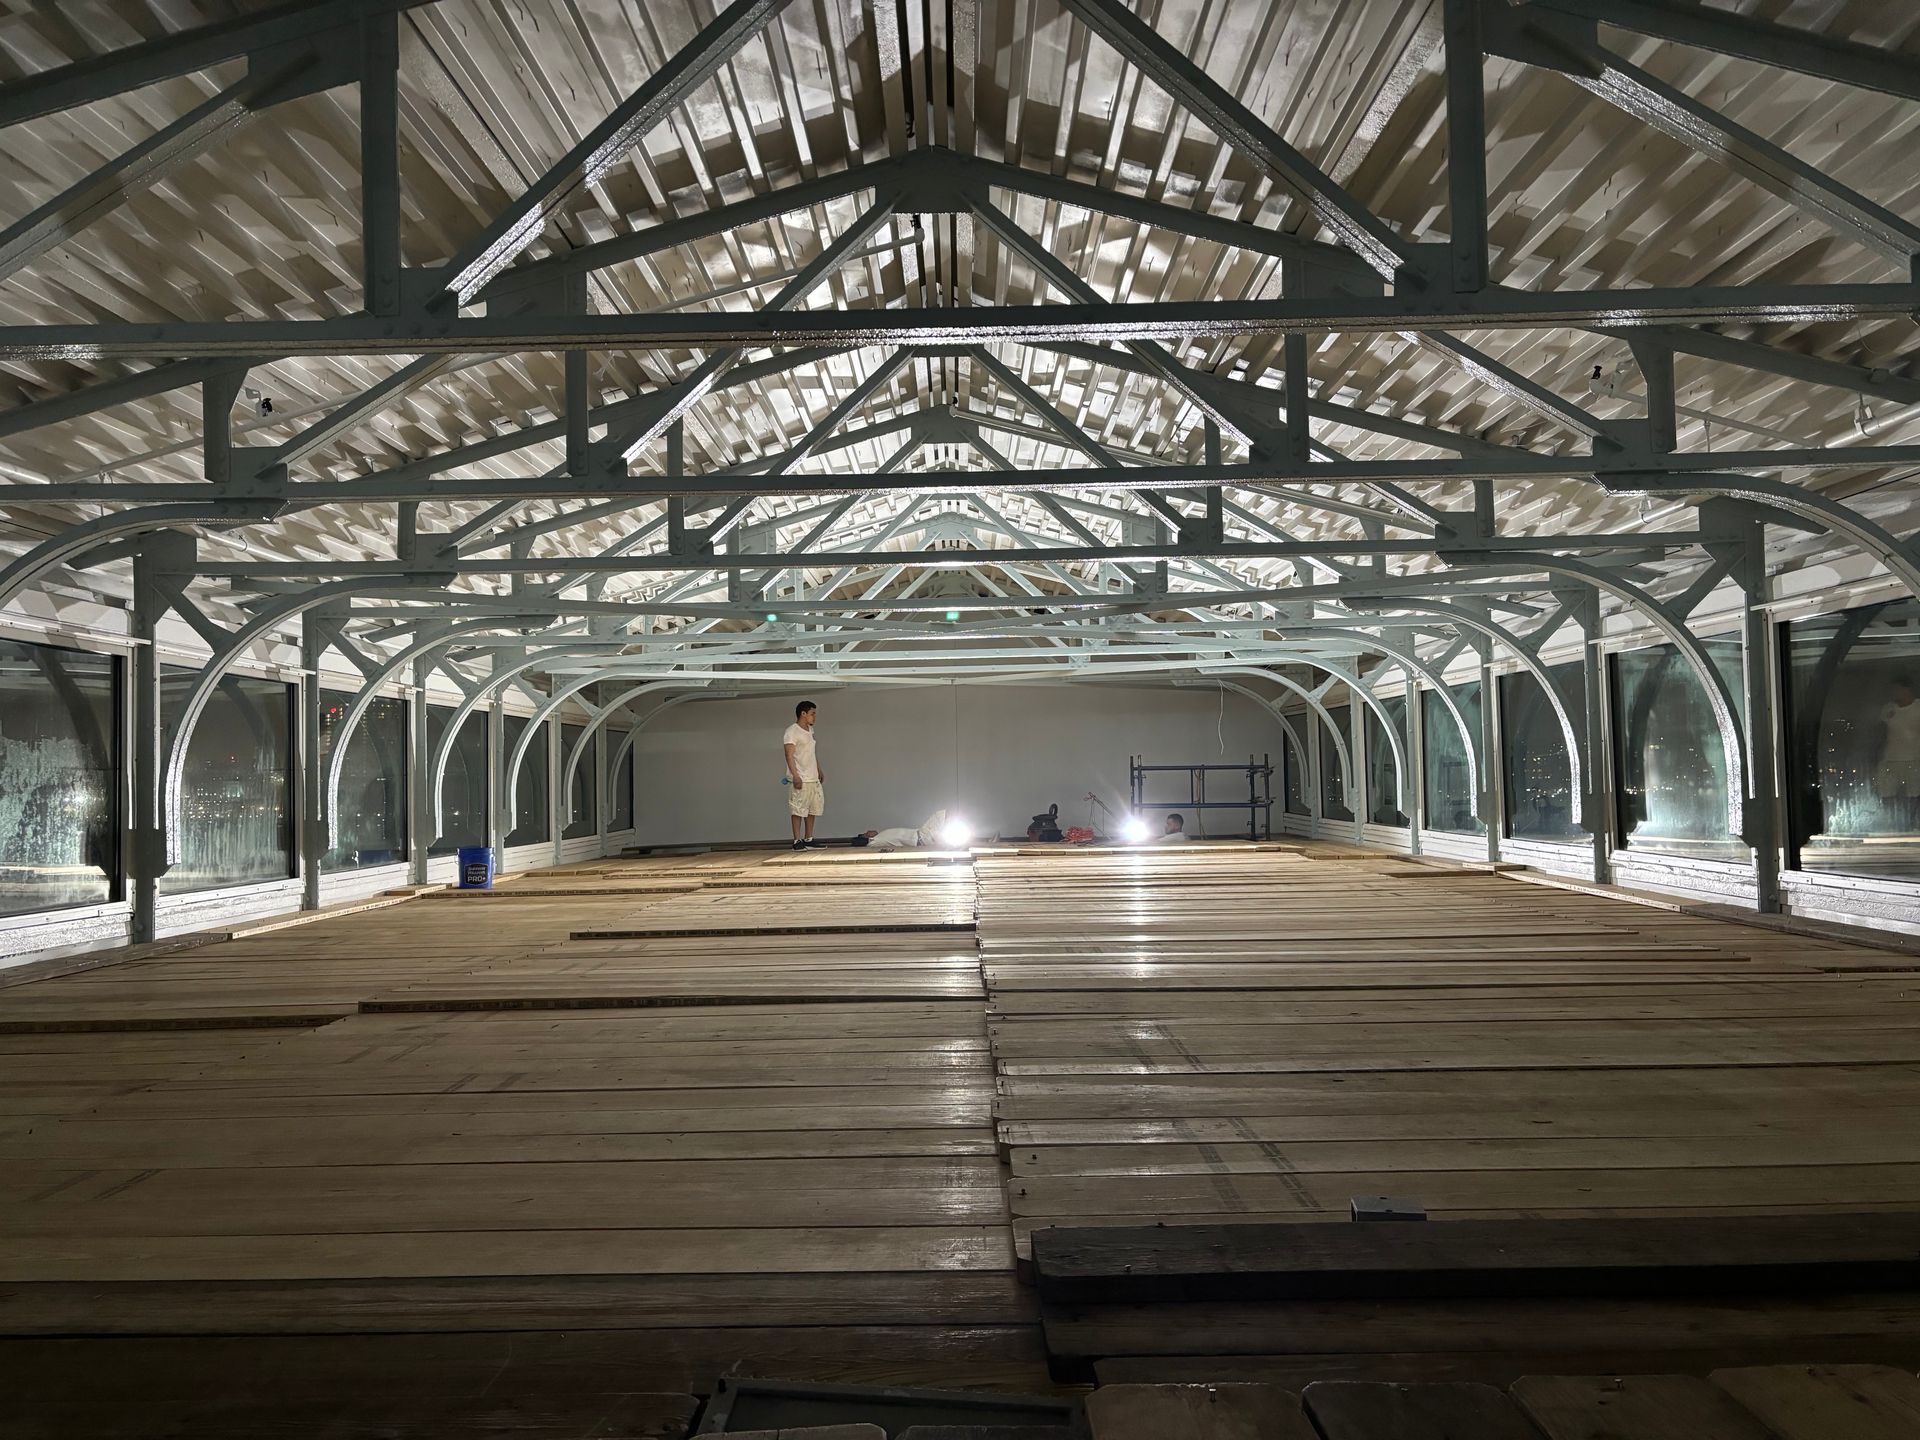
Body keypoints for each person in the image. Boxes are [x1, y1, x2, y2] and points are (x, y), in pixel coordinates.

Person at [783, 700, 824, 849]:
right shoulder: (792, 731)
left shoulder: (810, 730)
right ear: (803, 713)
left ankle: (809, 838)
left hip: (812, 776)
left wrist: (818, 769)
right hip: (801, 776)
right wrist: (795, 775)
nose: (814, 717)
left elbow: (811, 752)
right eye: (812, 714)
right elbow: (789, 755)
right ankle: (797, 840)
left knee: (812, 808)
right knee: (798, 809)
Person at [848, 809, 948, 851]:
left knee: (942, 814)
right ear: (867, 837)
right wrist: (863, 840)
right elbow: (858, 841)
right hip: (922, 837)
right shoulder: (874, 841)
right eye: (866, 832)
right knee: (940, 814)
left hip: (921, 834)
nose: (869, 830)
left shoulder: (880, 836)